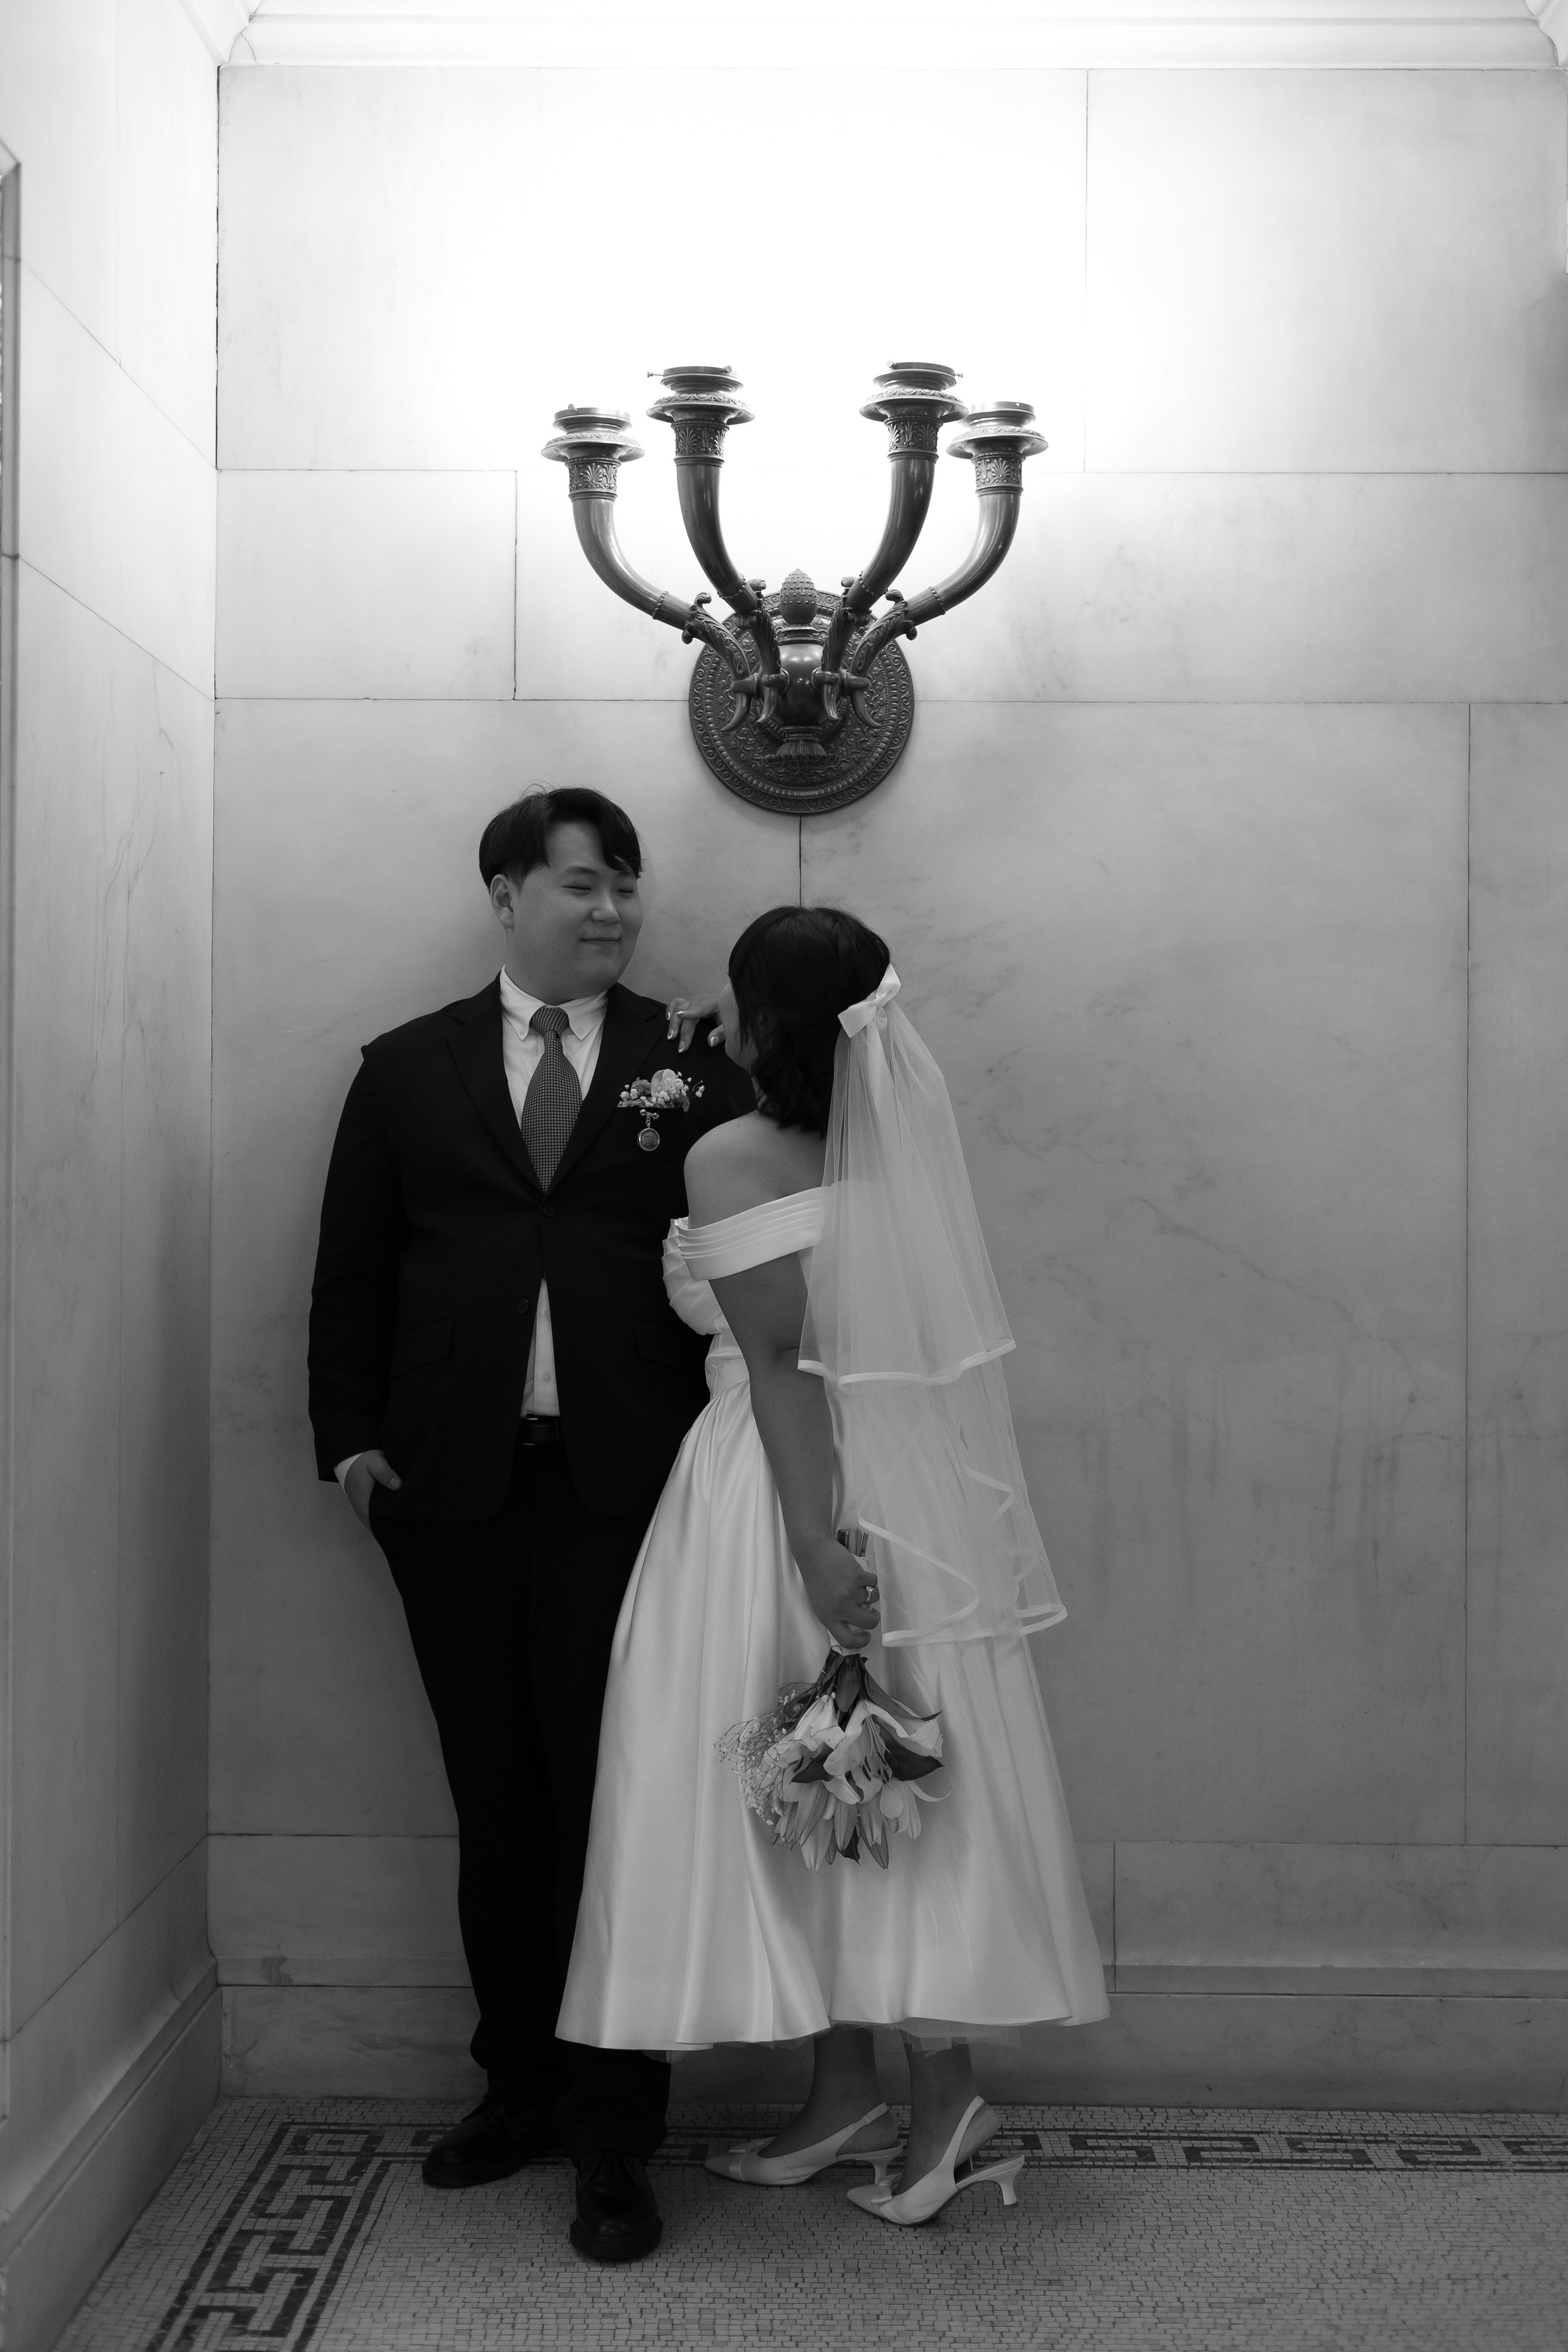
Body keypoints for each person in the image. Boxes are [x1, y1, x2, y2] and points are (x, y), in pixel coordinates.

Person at [560, 905, 1109, 2225]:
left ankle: (936, 2118)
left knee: (844, 1772)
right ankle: (847, 2096)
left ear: (761, 1021)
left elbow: (783, 1368)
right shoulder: (903, 1143)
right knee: (862, 1776)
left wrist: (812, 1542)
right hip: (913, 1490)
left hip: (778, 1486)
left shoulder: (729, 1155)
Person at [307, 787, 746, 2263]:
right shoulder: (406, 1066)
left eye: (625, 883)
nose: (610, 909)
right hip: (452, 1493)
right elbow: (354, 1272)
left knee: (620, 1809)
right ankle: (516, 2092)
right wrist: (353, 1448)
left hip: (639, 1493)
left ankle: (618, 2138)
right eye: (579, 884)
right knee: (495, 1803)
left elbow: (749, 1251)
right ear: (505, 894)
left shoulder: (690, 1063)